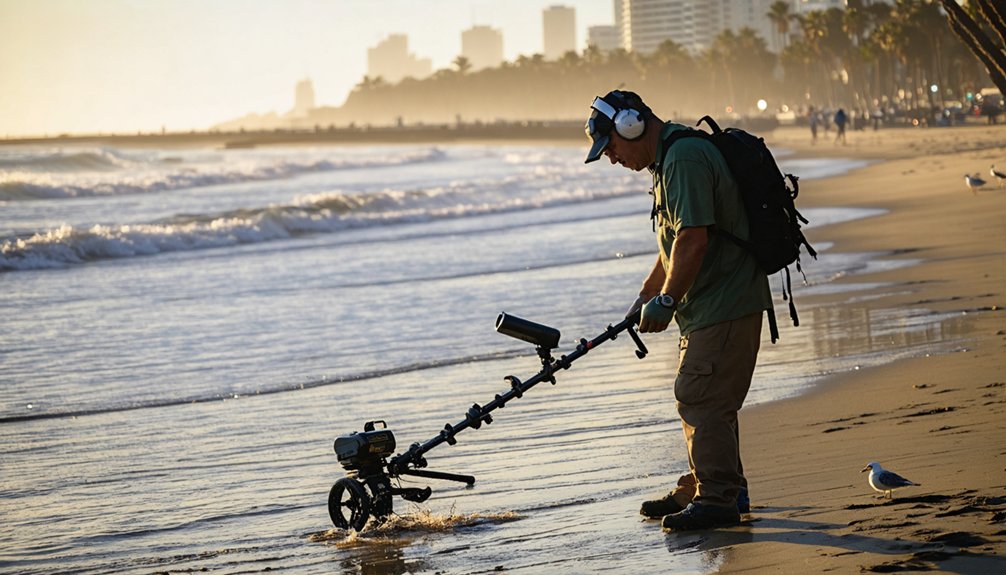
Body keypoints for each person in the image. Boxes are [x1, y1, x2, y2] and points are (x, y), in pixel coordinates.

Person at [583, 90, 771, 531]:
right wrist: (646, 295)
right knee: (709, 399)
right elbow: (672, 243)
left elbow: (694, 239)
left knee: (700, 396)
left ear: (631, 125)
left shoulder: (683, 158)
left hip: (724, 301)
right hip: (708, 304)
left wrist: (667, 300)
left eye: (610, 146)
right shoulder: (667, 160)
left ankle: (718, 498)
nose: (611, 158)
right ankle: (717, 486)